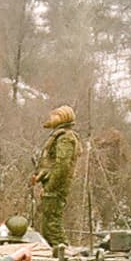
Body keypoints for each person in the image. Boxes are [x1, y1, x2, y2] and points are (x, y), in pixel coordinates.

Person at [32, 105, 79, 247]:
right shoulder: (60, 135)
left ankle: (62, 252)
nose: (51, 117)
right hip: (52, 184)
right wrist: (40, 178)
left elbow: (62, 166)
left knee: (52, 225)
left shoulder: (65, 137)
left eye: (55, 115)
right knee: (48, 223)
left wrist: (51, 186)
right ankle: (58, 251)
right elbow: (51, 164)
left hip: (56, 186)